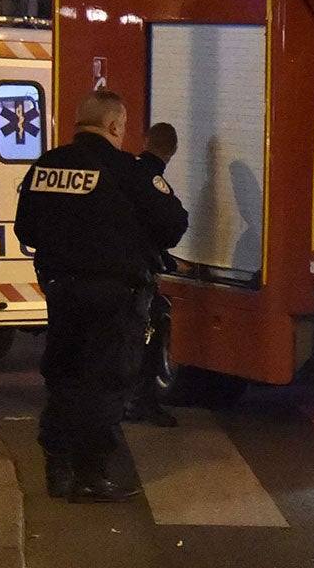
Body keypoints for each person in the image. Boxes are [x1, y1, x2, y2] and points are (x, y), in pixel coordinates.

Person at [15, 90, 189, 502]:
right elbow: (173, 224)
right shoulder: (128, 171)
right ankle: (92, 474)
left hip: (62, 292)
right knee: (105, 383)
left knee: (63, 377)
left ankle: (57, 469)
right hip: (115, 295)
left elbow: (26, 230)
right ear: (114, 125)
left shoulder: (46, 166)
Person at [124, 122, 179, 428]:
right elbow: (173, 223)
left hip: (115, 270)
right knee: (148, 338)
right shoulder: (155, 180)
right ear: (172, 151)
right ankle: (141, 402)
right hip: (138, 275)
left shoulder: (123, 171)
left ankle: (121, 401)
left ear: (144, 141)